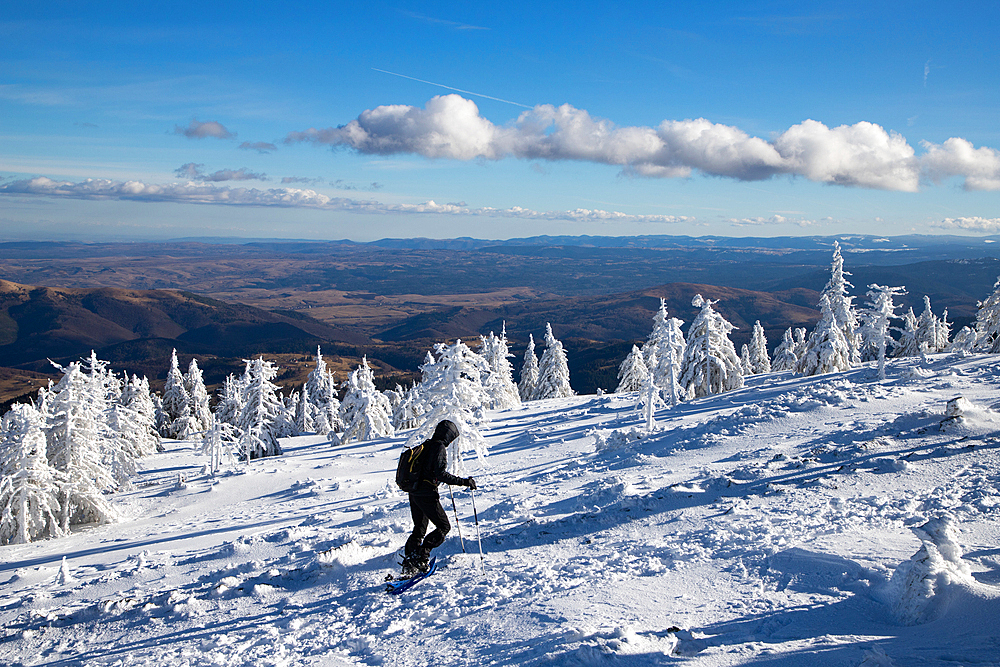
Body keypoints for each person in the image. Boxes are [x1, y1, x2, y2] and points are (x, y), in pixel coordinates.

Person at [402, 419, 476, 576]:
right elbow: (440, 474)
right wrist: (464, 482)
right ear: (448, 435)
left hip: (414, 492)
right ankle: (421, 556)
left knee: (419, 529)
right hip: (427, 494)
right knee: (444, 527)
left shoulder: (427, 444)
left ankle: (410, 562)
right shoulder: (439, 447)